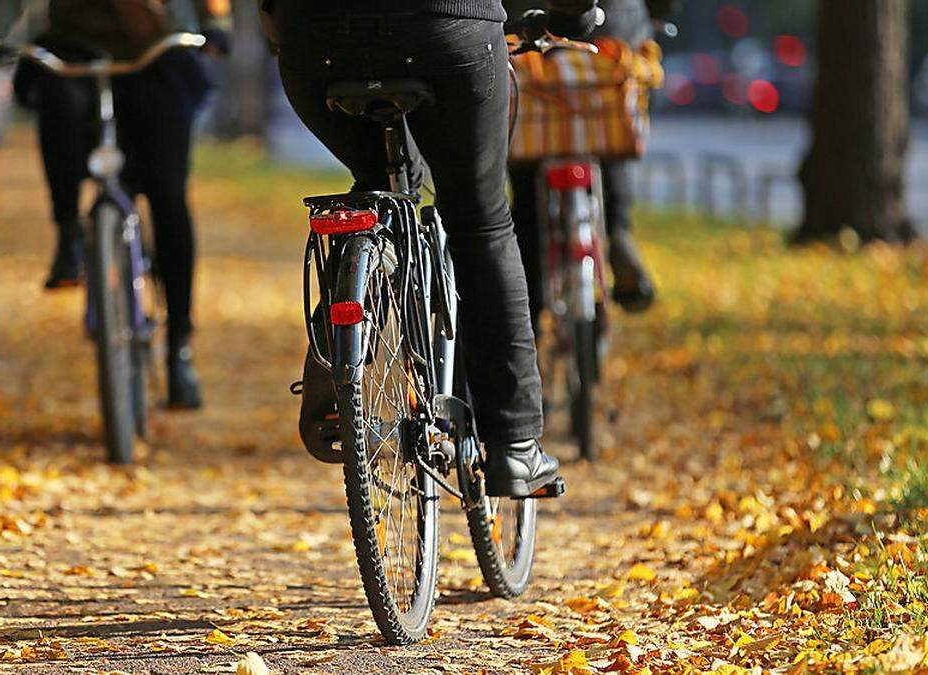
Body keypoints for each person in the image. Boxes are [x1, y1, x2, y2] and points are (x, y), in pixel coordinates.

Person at [263, 0, 601, 497]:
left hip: (315, 40)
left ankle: (340, 359)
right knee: (478, 219)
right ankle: (514, 445)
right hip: (447, 30)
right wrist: (572, 15)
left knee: (376, 185)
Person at [0, 0, 228, 408]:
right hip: (75, 52)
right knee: (59, 101)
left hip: (156, 53)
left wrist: (215, 24)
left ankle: (179, 347)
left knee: (168, 196)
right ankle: (68, 233)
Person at [509, 0, 677, 322]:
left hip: (528, 32)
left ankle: (524, 312)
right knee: (610, 125)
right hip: (613, 29)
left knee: (527, 187)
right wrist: (654, 13)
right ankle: (619, 232)